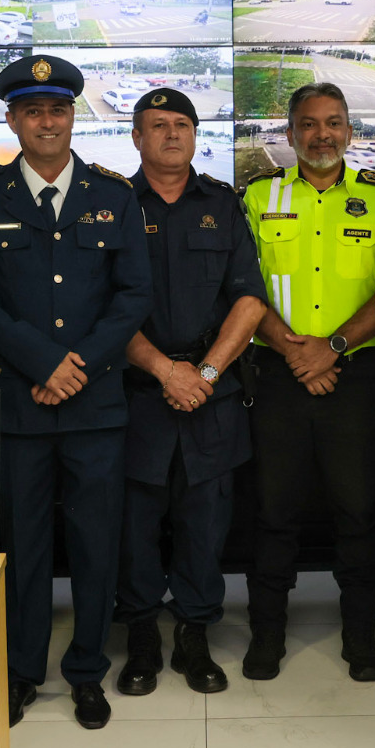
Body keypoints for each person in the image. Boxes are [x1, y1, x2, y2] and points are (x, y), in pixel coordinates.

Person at [0, 55, 151, 731]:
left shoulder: (113, 195)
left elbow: (132, 297)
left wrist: (78, 366)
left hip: (94, 406)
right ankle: (21, 672)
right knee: (24, 546)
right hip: (20, 403)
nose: (46, 121)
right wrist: (43, 365)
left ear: (73, 116)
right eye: (32, 110)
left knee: (97, 544)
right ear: (11, 118)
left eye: (58, 109)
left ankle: (88, 671)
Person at [240, 82, 375, 683]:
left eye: (333, 123)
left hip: (352, 376)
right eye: (308, 124)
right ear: (291, 133)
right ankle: (267, 636)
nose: (321, 135)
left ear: (350, 132)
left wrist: (331, 350)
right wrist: (295, 351)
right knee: (275, 513)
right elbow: (244, 288)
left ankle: (360, 637)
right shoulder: (258, 197)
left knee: (358, 512)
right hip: (277, 376)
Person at [115, 87, 266, 698]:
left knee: (206, 523)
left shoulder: (223, 206)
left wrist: (201, 374)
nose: (172, 134)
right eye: (158, 125)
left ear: (195, 135)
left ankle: (195, 634)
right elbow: (103, 308)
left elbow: (249, 301)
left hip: (211, 393)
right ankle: (143, 636)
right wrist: (164, 371)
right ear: (136, 137)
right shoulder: (113, 205)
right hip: (136, 394)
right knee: (136, 525)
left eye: (182, 124)